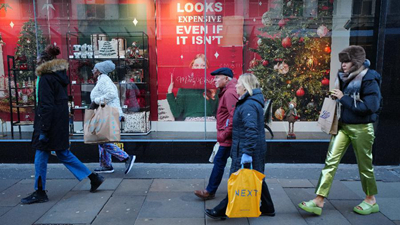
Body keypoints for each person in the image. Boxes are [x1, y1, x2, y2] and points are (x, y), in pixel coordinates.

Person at [298, 45, 382, 216]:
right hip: (343, 126)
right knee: (330, 162)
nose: (343, 65)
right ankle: (318, 200)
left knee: (365, 165)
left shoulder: (369, 78)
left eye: (347, 61)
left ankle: (371, 200)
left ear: (356, 62)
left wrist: (343, 98)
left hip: (362, 128)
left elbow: (371, 107)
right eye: (342, 61)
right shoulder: (343, 77)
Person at [21, 45, 105, 204]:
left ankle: (40, 191)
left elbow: (45, 105)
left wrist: (44, 130)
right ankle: (93, 177)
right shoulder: (58, 76)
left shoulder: (45, 78)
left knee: (40, 155)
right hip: (59, 121)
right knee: (63, 153)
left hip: (48, 123)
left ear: (43, 62)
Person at [205, 73, 275, 219]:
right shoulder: (249, 101)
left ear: (245, 87)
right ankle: (268, 207)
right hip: (250, 148)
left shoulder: (248, 104)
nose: (236, 85)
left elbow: (251, 130)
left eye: (239, 84)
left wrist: (247, 153)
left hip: (247, 149)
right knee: (256, 177)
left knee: (236, 179)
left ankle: (222, 209)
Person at [194, 67, 239, 200]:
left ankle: (210, 191)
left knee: (220, 161)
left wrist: (224, 134)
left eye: (217, 77)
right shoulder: (228, 90)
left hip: (228, 137)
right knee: (225, 162)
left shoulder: (230, 92)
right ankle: (212, 190)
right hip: (228, 136)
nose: (214, 80)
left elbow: (234, 116)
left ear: (226, 79)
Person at [90, 60, 136, 174]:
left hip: (109, 113)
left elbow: (112, 94)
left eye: (94, 69)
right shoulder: (102, 79)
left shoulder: (104, 79)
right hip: (107, 113)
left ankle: (126, 157)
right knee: (103, 140)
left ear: (99, 70)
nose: (93, 71)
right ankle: (106, 165)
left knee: (102, 140)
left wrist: (96, 101)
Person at [167, 54, 218, 121]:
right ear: (192, 67)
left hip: (209, 121)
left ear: (207, 68)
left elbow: (218, 111)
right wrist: (170, 92)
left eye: (203, 65)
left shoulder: (213, 87)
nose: (199, 68)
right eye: (196, 65)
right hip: (191, 123)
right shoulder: (184, 87)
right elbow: (176, 113)